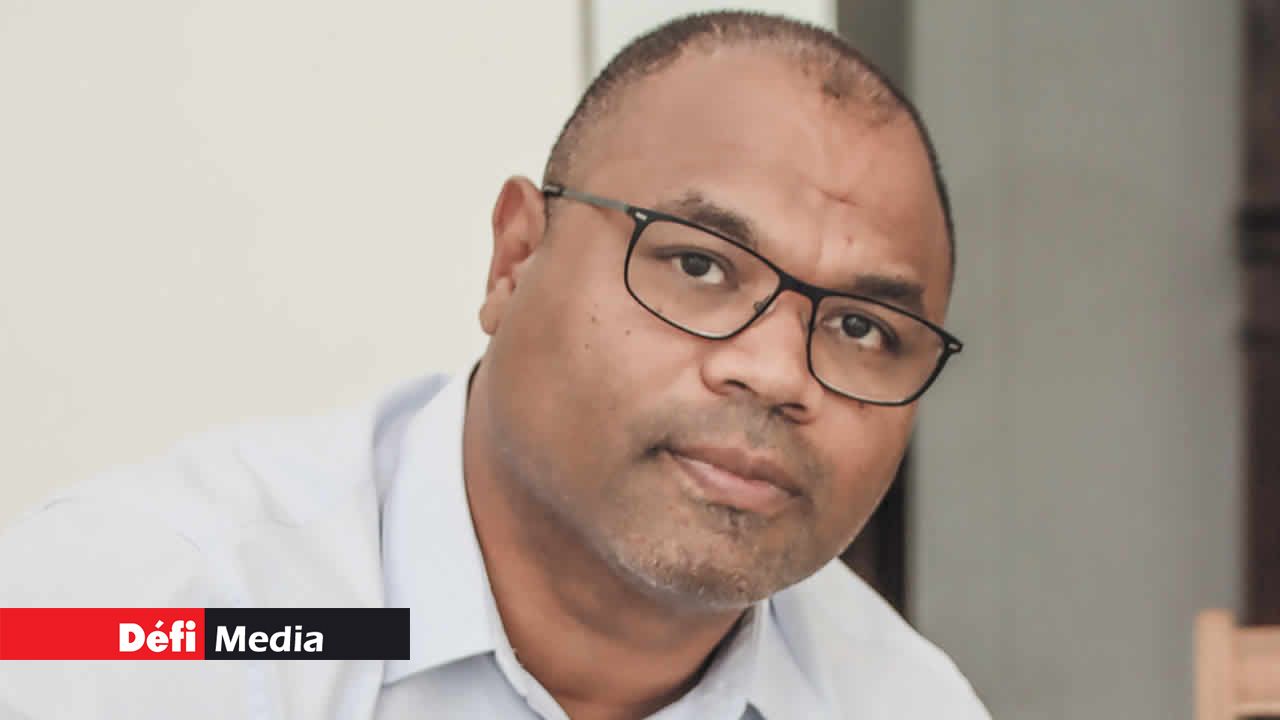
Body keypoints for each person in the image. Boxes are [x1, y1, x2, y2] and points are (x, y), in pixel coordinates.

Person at [0, 10, 987, 720]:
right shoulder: (131, 614)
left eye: (862, 329)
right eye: (698, 266)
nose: (776, 373)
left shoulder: (896, 702)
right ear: (515, 257)